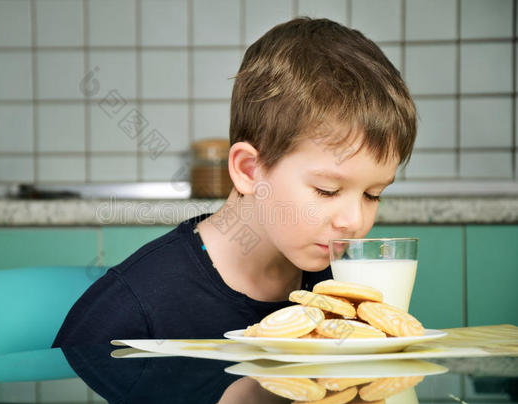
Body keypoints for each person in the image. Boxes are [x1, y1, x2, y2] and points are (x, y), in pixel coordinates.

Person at [52, 17, 416, 346]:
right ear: (249, 171)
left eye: (373, 194)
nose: (354, 222)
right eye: (327, 190)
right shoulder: (136, 304)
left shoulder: (343, 293)